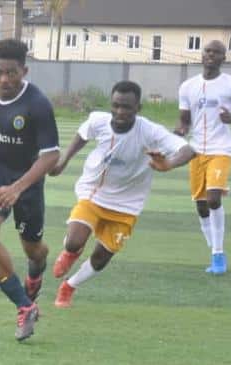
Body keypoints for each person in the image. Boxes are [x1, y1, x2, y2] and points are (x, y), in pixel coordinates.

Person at [49, 80, 195, 308]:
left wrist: (169, 164)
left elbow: (187, 149)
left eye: (126, 107)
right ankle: (71, 252)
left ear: (138, 108)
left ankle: (70, 286)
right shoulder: (99, 120)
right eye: (116, 105)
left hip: (128, 204)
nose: (120, 112)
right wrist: (64, 161)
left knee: (101, 257)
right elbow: (82, 134)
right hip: (94, 192)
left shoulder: (150, 131)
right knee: (74, 241)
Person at [0, 39, 60, 341]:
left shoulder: (37, 104)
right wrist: (5, 185)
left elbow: (51, 155)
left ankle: (36, 272)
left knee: (33, 249)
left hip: (28, 182)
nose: (4, 80)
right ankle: (25, 306)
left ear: (25, 70)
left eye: (12, 73)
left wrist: (19, 187)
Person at [175, 40, 231, 275]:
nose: (210, 55)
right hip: (195, 150)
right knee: (201, 207)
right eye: (207, 51)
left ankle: (218, 254)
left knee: (213, 198)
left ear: (224, 58)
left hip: (221, 148)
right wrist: (178, 132)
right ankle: (215, 250)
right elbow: (184, 120)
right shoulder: (188, 86)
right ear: (202, 56)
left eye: (216, 52)